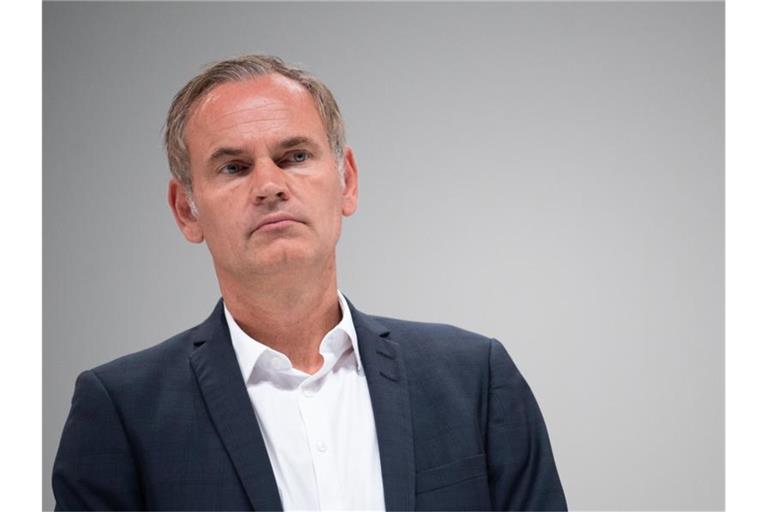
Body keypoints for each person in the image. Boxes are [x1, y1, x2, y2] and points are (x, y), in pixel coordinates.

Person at [52, 54, 567, 511]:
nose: (269, 185)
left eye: (295, 156)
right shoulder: (122, 412)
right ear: (186, 210)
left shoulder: (474, 380)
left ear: (347, 181)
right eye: (233, 167)